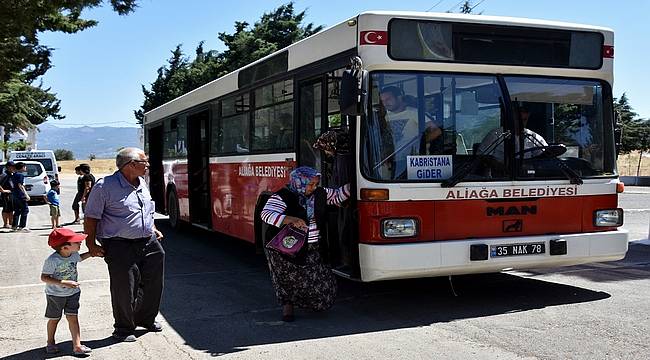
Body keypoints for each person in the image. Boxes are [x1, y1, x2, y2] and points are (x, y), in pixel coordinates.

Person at [84, 147, 165, 342]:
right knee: (124, 287)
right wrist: (91, 244)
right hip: (119, 244)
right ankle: (123, 328)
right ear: (131, 165)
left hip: (148, 241)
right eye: (144, 161)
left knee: (154, 283)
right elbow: (91, 217)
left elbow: (146, 209)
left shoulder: (142, 183)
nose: (148, 165)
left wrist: (152, 227)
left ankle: (146, 319)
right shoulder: (104, 186)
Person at [260, 166, 350, 322]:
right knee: (286, 280)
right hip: (284, 249)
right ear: (299, 182)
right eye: (310, 184)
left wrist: (356, 183)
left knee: (321, 282)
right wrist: (291, 220)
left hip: (311, 246)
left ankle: (308, 303)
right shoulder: (283, 196)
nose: (313, 188)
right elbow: (266, 214)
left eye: (315, 184)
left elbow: (337, 196)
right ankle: (288, 306)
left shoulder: (320, 194)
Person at [40, 228, 92, 355]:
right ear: (65, 247)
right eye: (76, 242)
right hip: (55, 295)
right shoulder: (52, 260)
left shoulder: (73, 254)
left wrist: (92, 253)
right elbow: (44, 277)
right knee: (54, 319)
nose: (80, 243)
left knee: (73, 318)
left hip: (73, 293)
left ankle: (77, 346)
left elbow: (80, 258)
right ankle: (50, 342)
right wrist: (64, 282)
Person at [379, 86, 442, 176]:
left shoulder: (414, 113)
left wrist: (420, 142)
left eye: (388, 99)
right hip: (393, 160)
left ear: (399, 97)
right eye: (383, 101)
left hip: (412, 161)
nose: (385, 103)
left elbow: (436, 131)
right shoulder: (386, 116)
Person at [478, 105, 548, 161]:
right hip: (501, 176)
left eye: (524, 120)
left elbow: (545, 154)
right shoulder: (496, 135)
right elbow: (482, 156)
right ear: (511, 118)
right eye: (518, 119)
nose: (521, 123)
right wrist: (498, 165)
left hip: (526, 175)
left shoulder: (532, 136)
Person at [9, 162, 30, 232]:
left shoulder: (13, 175)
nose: (25, 168)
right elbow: (20, 185)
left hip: (14, 194)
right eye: (25, 167)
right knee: (25, 210)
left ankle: (14, 226)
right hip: (20, 195)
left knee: (17, 210)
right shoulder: (20, 175)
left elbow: (12, 184)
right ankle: (22, 226)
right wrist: (26, 194)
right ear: (22, 168)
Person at [0, 161, 16, 228]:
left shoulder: (11, 175)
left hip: (11, 194)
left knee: (11, 209)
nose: (14, 168)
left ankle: (10, 223)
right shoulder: (4, 175)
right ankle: (5, 223)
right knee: (6, 209)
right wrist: (3, 191)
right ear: (9, 167)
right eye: (13, 167)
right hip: (6, 195)